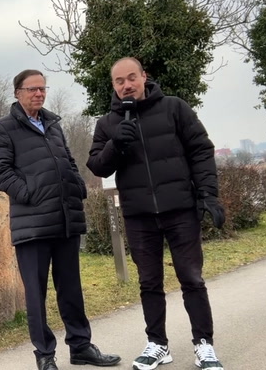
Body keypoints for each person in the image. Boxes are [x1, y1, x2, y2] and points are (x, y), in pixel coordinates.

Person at [87, 57, 226, 370]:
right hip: (139, 216)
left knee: (191, 278)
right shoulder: (107, 123)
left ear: (143, 77)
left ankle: (204, 345)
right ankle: (157, 344)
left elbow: (201, 150)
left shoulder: (174, 108)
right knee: (149, 282)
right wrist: (115, 145)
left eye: (131, 77)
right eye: (119, 81)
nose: (126, 85)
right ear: (113, 85)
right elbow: (97, 165)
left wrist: (208, 195)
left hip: (180, 209)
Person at [0, 69, 121, 370]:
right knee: (36, 296)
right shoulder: (4, 129)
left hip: (65, 221)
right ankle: (45, 356)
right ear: (18, 93)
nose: (39, 94)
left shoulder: (53, 125)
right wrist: (31, 194)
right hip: (32, 226)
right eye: (32, 89)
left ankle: (81, 347)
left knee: (71, 290)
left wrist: (77, 186)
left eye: (42, 88)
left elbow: (69, 162)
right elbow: (0, 173)